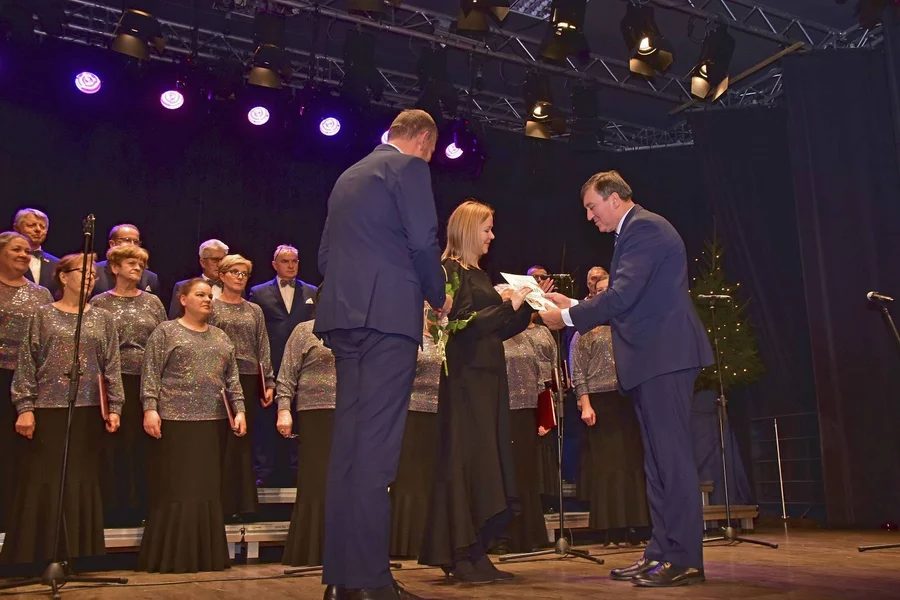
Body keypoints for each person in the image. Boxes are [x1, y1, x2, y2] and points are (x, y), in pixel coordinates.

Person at [540, 170, 713, 588]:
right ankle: (661, 552)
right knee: (656, 463)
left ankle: (685, 558)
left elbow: (621, 298)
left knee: (671, 460)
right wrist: (575, 303)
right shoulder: (633, 232)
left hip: (665, 357)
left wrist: (566, 316)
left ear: (614, 199)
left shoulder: (645, 229)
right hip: (653, 360)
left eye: (592, 207)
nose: (589, 216)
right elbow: (632, 301)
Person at [315, 108, 450, 600]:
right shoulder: (408, 167)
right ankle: (370, 582)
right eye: (431, 152)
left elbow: (324, 258)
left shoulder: (348, 176)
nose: (429, 159)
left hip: (343, 319)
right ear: (422, 139)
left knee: (348, 450)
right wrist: (438, 294)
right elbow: (423, 242)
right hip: (388, 319)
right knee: (376, 450)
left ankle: (341, 582)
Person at [418, 200, 546, 583]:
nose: (492, 236)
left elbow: (497, 329)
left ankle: (476, 548)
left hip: (489, 378)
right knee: (467, 458)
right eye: (487, 229)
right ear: (470, 229)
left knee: (486, 459)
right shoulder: (450, 269)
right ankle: (459, 551)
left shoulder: (478, 273)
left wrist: (525, 306)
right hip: (466, 378)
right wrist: (508, 303)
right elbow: (461, 324)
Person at [1, 253, 123, 565]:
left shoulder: (103, 318)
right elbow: (27, 362)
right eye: (83, 272)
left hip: (88, 409)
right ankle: (37, 554)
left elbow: (111, 365)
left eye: (93, 274)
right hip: (48, 407)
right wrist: (25, 407)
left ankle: (78, 554)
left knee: (81, 478)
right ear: (63, 277)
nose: (90, 278)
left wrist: (115, 407)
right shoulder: (43, 315)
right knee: (44, 478)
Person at [138, 278, 246, 573]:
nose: (208, 300)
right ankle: (171, 555)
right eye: (200, 295)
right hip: (175, 421)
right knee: (177, 487)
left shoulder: (221, 336)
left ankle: (204, 555)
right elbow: (151, 374)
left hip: (213, 422)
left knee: (205, 488)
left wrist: (239, 410)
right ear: (183, 299)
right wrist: (150, 409)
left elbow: (232, 378)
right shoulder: (166, 332)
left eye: (210, 296)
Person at [91, 244, 167, 526]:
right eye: (131, 263)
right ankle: (112, 507)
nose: (137, 268)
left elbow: (163, 341)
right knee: (113, 443)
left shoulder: (153, 302)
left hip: (146, 379)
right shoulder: (99, 302)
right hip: (111, 379)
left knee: (142, 444)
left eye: (141, 264)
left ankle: (141, 507)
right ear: (114, 268)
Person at [570, 321, 650, 546]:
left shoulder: (626, 325)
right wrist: (585, 404)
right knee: (608, 465)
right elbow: (578, 372)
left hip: (628, 397)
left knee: (632, 462)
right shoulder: (584, 331)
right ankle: (611, 529)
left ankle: (636, 526)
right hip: (600, 400)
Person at [209, 254, 274, 520]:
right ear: (222, 275)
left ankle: (243, 503)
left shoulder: (254, 310)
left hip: (247, 378)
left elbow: (263, 347)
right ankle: (220, 502)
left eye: (244, 273)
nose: (239, 277)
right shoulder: (212, 307)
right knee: (221, 441)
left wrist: (268, 382)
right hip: (219, 379)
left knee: (243, 440)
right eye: (234, 272)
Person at [249, 244, 317, 486]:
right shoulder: (259, 293)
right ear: (274, 264)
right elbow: (257, 331)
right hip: (273, 361)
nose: (291, 265)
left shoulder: (311, 291)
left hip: (304, 364)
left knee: (299, 416)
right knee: (268, 418)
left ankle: (298, 469)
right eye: (285, 261)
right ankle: (267, 471)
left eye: (294, 261)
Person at [0, 231, 53, 531]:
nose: (23, 255)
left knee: (23, 450)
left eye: (27, 251)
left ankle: (18, 519)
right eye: (16, 250)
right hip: (1, 373)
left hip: (31, 379)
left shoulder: (41, 294)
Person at [275, 313, 336, 567]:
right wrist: (283, 409)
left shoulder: (356, 331)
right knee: (316, 479)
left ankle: (342, 549)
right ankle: (311, 547)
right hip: (314, 412)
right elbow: (287, 374)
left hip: (351, 412)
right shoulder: (304, 330)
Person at [389, 311, 441, 558]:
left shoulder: (446, 338)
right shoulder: (409, 336)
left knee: (433, 477)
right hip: (410, 411)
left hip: (441, 414)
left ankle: (433, 541)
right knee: (409, 477)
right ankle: (405, 541)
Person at [497, 301, 547, 554]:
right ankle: (504, 536)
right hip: (503, 411)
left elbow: (539, 376)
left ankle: (529, 534)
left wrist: (543, 415)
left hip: (527, 410)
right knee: (507, 473)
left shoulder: (527, 338)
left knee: (526, 473)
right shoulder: (495, 337)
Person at [92, 224, 161, 297]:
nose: (132, 245)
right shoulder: (95, 271)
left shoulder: (150, 278)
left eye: (136, 242)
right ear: (112, 244)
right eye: (127, 240)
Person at [169, 239, 230, 319]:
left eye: (223, 260)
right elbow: (174, 319)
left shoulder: (233, 287)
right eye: (215, 260)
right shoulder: (183, 286)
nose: (220, 264)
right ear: (202, 262)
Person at [14, 208, 59, 297]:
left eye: (42, 227)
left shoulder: (57, 264)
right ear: (17, 228)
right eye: (31, 225)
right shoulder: (5, 258)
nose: (38, 229)